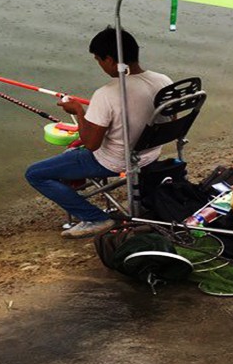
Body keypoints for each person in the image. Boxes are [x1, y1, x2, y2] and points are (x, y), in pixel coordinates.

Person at [25, 27, 172, 239]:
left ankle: (95, 217)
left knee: (35, 173)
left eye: (98, 60)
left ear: (111, 60)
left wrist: (78, 112)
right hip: (150, 155)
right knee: (71, 156)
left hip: (115, 161)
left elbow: (92, 144)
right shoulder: (163, 81)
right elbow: (171, 120)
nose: (100, 65)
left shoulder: (107, 94)